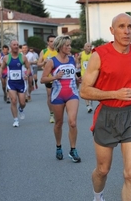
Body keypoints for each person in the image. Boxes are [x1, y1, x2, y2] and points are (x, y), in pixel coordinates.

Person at [79, 13, 131, 201]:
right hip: (106, 114)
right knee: (103, 170)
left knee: (130, 172)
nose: (127, 31)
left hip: (130, 115)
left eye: (130, 26)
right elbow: (85, 91)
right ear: (112, 31)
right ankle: (98, 200)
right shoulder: (99, 55)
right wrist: (114, 93)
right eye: (122, 27)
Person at [40, 35, 81, 163]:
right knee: (58, 123)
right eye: (67, 45)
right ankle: (58, 146)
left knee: (72, 122)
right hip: (57, 95)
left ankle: (73, 149)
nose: (69, 47)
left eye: (70, 45)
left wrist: (78, 79)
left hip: (72, 94)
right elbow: (43, 79)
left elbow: (73, 75)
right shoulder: (51, 61)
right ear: (60, 46)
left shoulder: (72, 59)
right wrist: (55, 77)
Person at [0, 40, 31, 127]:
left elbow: (28, 68)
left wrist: (27, 74)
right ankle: (15, 120)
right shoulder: (6, 58)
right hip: (11, 82)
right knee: (13, 100)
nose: (16, 46)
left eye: (17, 45)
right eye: (14, 45)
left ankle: (21, 108)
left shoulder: (23, 57)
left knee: (23, 102)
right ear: (11, 46)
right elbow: (1, 67)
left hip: (21, 83)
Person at [37, 35, 57, 123]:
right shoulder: (44, 51)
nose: (53, 43)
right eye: (51, 41)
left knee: (59, 96)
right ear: (48, 42)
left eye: (54, 41)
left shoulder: (59, 50)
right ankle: (52, 114)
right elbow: (38, 64)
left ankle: (58, 113)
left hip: (58, 78)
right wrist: (43, 62)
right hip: (48, 78)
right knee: (50, 96)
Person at [76, 42, 93, 113]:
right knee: (85, 89)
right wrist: (78, 64)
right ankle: (88, 105)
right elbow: (77, 60)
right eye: (88, 46)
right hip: (84, 74)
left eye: (90, 46)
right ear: (85, 47)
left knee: (91, 90)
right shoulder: (81, 54)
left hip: (92, 74)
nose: (90, 48)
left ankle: (90, 103)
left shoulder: (93, 54)